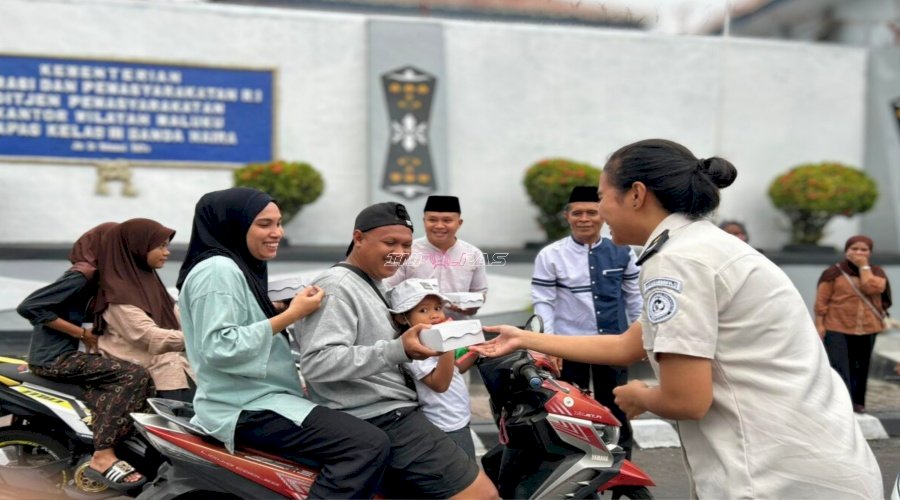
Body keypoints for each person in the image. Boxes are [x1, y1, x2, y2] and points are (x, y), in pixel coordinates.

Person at [471, 139, 882, 499]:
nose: (599, 212)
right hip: (814, 462)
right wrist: (524, 339)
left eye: (603, 197)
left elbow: (687, 400)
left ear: (636, 194)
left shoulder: (677, 262)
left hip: (775, 476)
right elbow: (626, 344)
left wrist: (640, 397)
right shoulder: (701, 246)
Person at [175, 187, 390, 499]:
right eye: (264, 224)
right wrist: (293, 313)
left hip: (259, 397)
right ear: (234, 223)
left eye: (278, 223)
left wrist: (277, 309)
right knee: (368, 444)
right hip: (245, 406)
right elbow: (221, 347)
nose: (277, 232)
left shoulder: (237, 266)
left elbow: (237, 325)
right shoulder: (218, 270)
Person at [297, 201, 498, 499]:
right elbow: (316, 362)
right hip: (383, 417)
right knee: (483, 496)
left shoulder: (375, 282)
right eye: (390, 242)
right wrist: (397, 349)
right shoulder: (339, 285)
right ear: (358, 237)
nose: (400, 253)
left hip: (400, 411)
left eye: (406, 245)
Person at [17, 222, 155, 491]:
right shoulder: (83, 273)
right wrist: (80, 333)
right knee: (133, 374)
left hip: (68, 354)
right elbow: (31, 307)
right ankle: (103, 454)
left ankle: (108, 437)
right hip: (56, 358)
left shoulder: (102, 275)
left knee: (141, 376)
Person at [530, 185, 642, 458]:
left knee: (615, 405)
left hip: (613, 343)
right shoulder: (551, 255)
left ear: (602, 215)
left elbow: (635, 297)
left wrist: (643, 336)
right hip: (570, 346)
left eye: (591, 212)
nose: (584, 219)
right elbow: (544, 301)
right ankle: (575, 461)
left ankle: (620, 461)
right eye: (577, 213)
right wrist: (550, 345)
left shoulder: (623, 251)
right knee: (571, 406)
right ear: (567, 216)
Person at [93, 218, 194, 402]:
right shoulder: (119, 295)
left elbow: (182, 319)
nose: (167, 252)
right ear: (137, 247)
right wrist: (201, 340)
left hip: (176, 373)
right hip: (150, 385)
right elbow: (149, 337)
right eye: (160, 246)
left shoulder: (151, 284)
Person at [387, 278, 478, 459]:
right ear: (401, 317)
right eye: (423, 310)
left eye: (437, 308)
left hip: (457, 416)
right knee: (465, 477)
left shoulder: (432, 339)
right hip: (444, 424)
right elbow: (440, 384)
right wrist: (448, 345)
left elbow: (454, 370)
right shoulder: (415, 349)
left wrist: (476, 352)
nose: (435, 315)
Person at [815, 235, 891, 414]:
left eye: (864, 250)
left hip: (868, 327)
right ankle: (840, 404)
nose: (858, 252)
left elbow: (872, 288)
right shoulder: (832, 273)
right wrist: (819, 325)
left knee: (861, 367)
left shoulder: (877, 272)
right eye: (854, 249)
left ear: (870, 253)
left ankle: (857, 403)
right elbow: (821, 302)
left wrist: (863, 267)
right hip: (837, 326)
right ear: (846, 251)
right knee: (839, 367)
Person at [385, 195, 487, 319]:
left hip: (458, 327)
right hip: (415, 331)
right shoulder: (406, 251)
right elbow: (388, 291)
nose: (439, 226)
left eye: (447, 220)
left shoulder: (473, 254)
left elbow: (480, 293)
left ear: (459, 223)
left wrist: (469, 308)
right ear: (424, 221)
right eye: (432, 220)